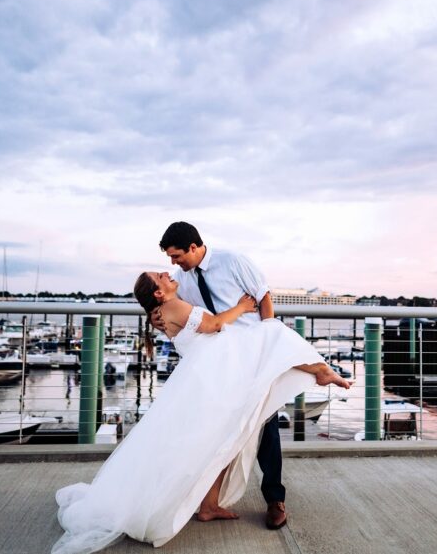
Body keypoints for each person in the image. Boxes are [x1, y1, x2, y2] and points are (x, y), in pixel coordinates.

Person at [51, 270, 349, 554]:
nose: (169, 274)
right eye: (162, 276)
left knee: (220, 444)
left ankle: (209, 506)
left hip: (209, 375)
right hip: (211, 380)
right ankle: (321, 371)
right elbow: (215, 325)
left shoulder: (165, 309)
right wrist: (242, 307)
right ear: (158, 291)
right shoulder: (173, 306)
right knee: (271, 336)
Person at [156, 221, 340, 530]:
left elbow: (264, 297)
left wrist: (269, 341)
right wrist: (161, 320)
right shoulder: (181, 280)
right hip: (223, 365)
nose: (173, 263)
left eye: (176, 256)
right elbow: (184, 314)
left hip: (255, 356)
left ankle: (274, 500)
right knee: (217, 431)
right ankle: (205, 500)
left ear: (193, 246)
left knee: (266, 425)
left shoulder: (234, 261)